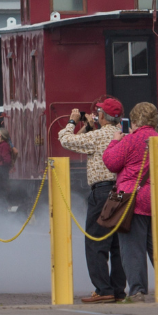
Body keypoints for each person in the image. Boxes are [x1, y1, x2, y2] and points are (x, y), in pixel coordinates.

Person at [101, 102, 158, 303]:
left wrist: (115, 141)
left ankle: (137, 292)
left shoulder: (131, 139)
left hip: (134, 201)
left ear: (134, 121)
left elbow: (110, 162)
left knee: (133, 250)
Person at [59, 98, 126, 304]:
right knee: (118, 244)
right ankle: (118, 290)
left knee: (96, 242)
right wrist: (89, 126)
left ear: (103, 116)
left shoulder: (98, 136)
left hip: (102, 191)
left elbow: (66, 140)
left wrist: (72, 121)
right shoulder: (123, 135)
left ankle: (103, 289)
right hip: (122, 191)